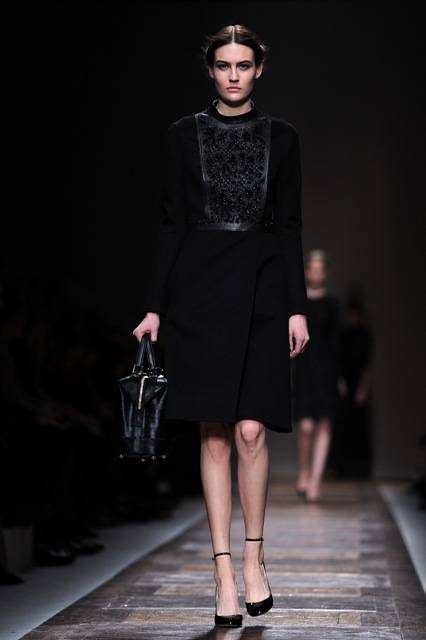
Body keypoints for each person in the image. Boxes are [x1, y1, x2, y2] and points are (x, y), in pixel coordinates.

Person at [133, 24, 309, 628]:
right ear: (210, 70)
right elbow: (171, 223)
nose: (234, 75)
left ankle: (255, 557)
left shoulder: (282, 137)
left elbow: (290, 226)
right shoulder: (183, 135)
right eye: (224, 65)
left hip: (263, 287)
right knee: (214, 435)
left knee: (252, 431)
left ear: (259, 70)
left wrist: (297, 306)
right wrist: (156, 306)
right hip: (199, 291)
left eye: (244, 65)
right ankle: (223, 572)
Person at [292, 249, 340, 502]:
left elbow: (337, 343)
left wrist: (340, 377)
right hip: (304, 369)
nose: (316, 274)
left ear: (326, 273)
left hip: (327, 371)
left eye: (320, 270)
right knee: (306, 426)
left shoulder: (333, 305)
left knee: (323, 424)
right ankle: (303, 470)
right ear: (306, 271)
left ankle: (315, 481)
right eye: (312, 269)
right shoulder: (298, 304)